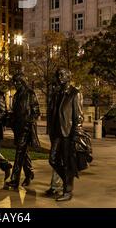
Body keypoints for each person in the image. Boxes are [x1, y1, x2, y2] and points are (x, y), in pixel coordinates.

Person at [49, 68, 84, 201]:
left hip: (68, 133)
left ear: (68, 77)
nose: (59, 77)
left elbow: (79, 116)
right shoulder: (57, 93)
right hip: (57, 133)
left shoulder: (75, 93)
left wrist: (76, 134)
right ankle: (66, 183)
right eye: (58, 75)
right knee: (52, 159)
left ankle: (67, 191)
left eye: (62, 75)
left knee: (67, 163)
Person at [4, 72, 40, 190]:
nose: (15, 84)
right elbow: (15, 111)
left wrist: (29, 121)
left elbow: (36, 111)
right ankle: (29, 173)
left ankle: (15, 180)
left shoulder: (30, 93)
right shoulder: (16, 95)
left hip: (26, 128)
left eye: (17, 81)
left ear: (23, 81)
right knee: (24, 153)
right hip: (18, 128)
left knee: (19, 153)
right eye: (14, 81)